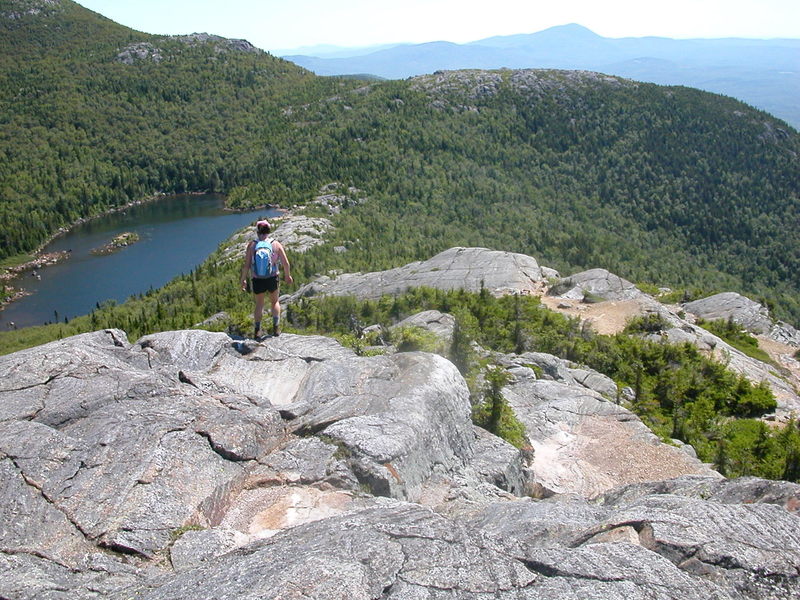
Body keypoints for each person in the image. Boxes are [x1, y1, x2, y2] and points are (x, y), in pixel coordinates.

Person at [241, 219, 293, 338]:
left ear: (258, 231)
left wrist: (243, 280)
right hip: (272, 278)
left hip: (257, 279)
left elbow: (247, 265)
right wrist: (287, 275)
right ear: (268, 231)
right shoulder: (275, 244)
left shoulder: (252, 245)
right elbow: (286, 263)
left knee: (259, 304)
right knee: (275, 302)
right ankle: (276, 328)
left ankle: (257, 330)